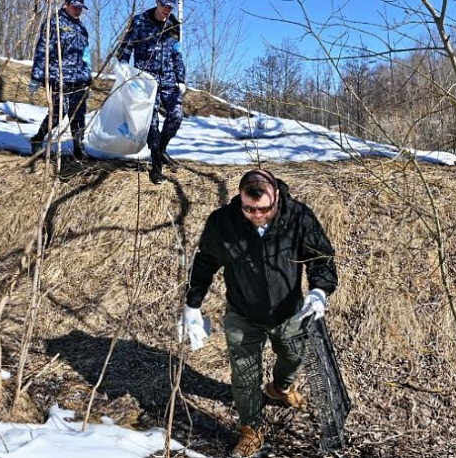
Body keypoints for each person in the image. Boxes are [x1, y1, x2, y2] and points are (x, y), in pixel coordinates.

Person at [182, 169, 338, 458]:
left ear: (276, 196)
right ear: (240, 200)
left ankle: (280, 388)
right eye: (249, 208)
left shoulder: (298, 217)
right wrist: (192, 304)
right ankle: (251, 431)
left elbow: (320, 257)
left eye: (264, 208)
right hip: (243, 311)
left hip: (288, 310)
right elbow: (205, 262)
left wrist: (319, 291)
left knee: (293, 355)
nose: (257, 215)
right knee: (244, 376)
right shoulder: (223, 223)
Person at [116, 0, 186, 184]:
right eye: (165, 6)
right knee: (152, 123)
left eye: (171, 7)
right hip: (145, 78)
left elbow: (177, 53)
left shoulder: (174, 25)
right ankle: (156, 165)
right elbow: (126, 45)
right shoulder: (139, 21)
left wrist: (181, 78)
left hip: (168, 78)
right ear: (157, 2)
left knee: (177, 115)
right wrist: (123, 64)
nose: (167, 10)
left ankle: (162, 149)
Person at [29, 0, 92, 161]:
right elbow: (43, 49)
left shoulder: (81, 28)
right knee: (59, 112)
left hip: (79, 79)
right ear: (66, 4)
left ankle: (79, 146)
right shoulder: (54, 23)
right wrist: (37, 76)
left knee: (78, 114)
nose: (78, 11)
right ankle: (38, 138)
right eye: (75, 7)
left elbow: (86, 55)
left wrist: (88, 77)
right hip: (59, 77)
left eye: (80, 8)